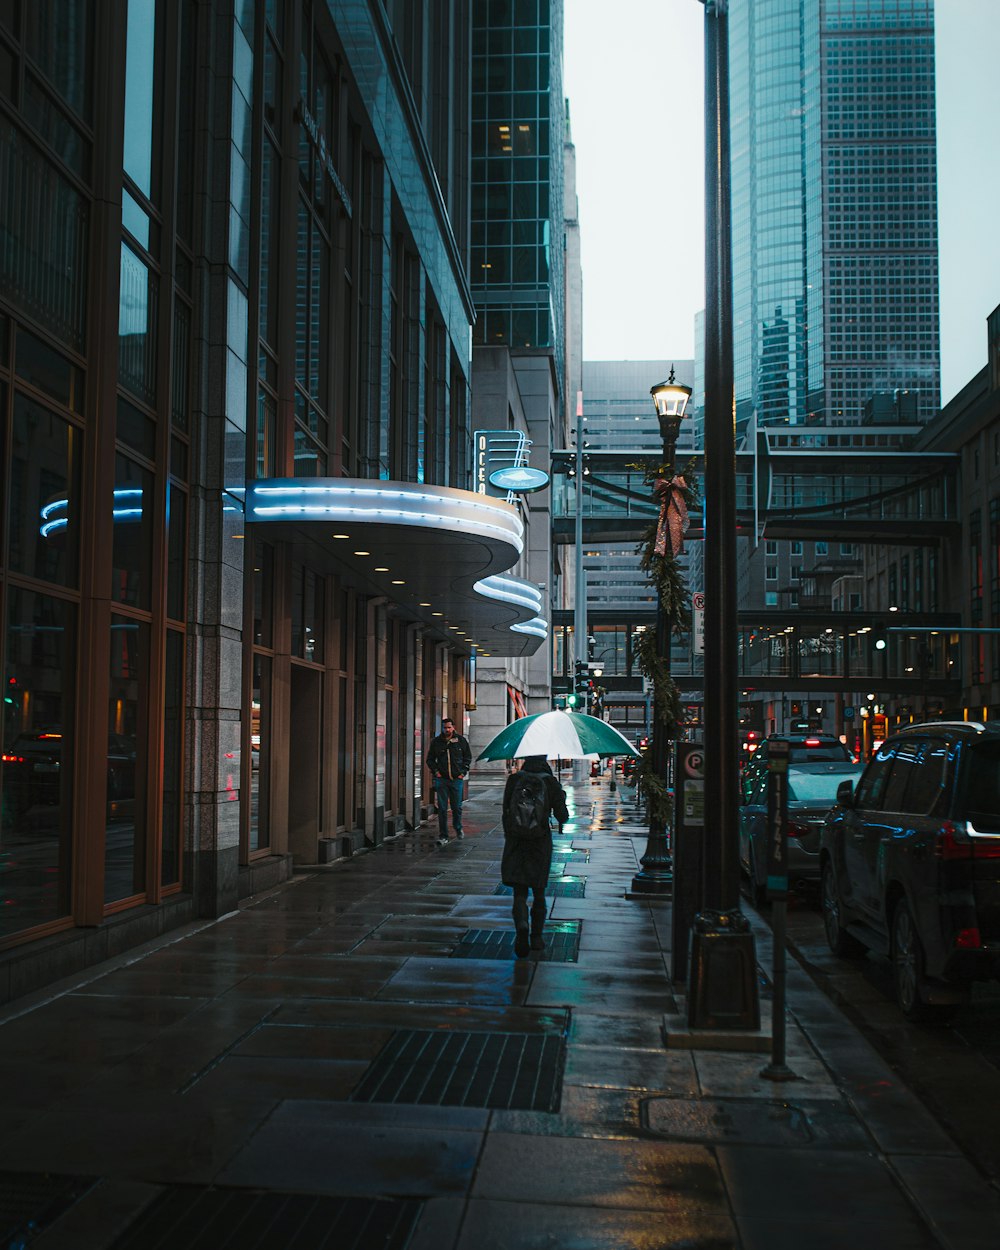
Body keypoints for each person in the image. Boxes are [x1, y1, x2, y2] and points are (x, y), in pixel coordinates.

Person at [501, 755, 569, 957]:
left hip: (516, 841)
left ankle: (522, 924)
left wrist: (510, 835)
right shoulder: (549, 781)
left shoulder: (515, 779)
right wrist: (560, 796)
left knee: (519, 892)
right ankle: (536, 937)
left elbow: (506, 811)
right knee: (539, 891)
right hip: (540, 841)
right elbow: (562, 816)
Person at [426, 717, 472, 845]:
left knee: (457, 807)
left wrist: (463, 773)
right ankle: (443, 835)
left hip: (456, 779)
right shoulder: (437, 742)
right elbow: (430, 759)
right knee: (442, 809)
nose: (447, 730)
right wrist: (436, 772)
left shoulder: (461, 741)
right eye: (445, 728)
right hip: (442, 780)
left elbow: (467, 757)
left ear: (453, 727)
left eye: (449, 727)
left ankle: (458, 828)